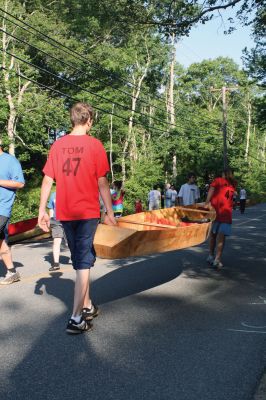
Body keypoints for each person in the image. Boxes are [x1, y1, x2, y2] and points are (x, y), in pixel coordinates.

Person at [38, 102, 116, 334]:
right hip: (86, 211)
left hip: (65, 212)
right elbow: (102, 181)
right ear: (89, 120)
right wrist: (110, 212)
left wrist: (42, 209)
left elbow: (47, 179)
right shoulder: (94, 145)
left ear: (72, 120)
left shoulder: (58, 145)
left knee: (79, 258)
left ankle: (88, 306)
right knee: (83, 263)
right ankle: (75, 318)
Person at [0, 141, 25, 285]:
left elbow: (20, 183)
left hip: (2, 208)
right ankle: (12, 272)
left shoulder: (10, 160)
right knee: (2, 242)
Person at [205, 168, 237, 270]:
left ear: (224, 174)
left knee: (214, 236)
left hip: (216, 212)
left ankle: (212, 256)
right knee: (220, 237)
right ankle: (216, 259)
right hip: (225, 213)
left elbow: (211, 190)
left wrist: (206, 202)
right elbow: (231, 197)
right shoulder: (233, 184)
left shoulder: (218, 180)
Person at [47, 191, 67, 271]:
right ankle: (56, 264)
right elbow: (51, 208)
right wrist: (51, 219)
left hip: (68, 220)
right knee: (56, 241)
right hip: (56, 221)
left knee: (69, 242)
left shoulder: (70, 191)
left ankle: (77, 258)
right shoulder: (53, 194)